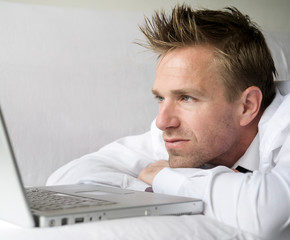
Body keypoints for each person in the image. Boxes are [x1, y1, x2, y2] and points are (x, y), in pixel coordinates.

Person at [47, 5, 290, 237]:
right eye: (161, 98)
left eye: (186, 98)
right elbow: (64, 180)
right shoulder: (179, 134)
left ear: (247, 106)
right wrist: (152, 192)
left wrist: (165, 177)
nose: (163, 122)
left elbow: (267, 216)